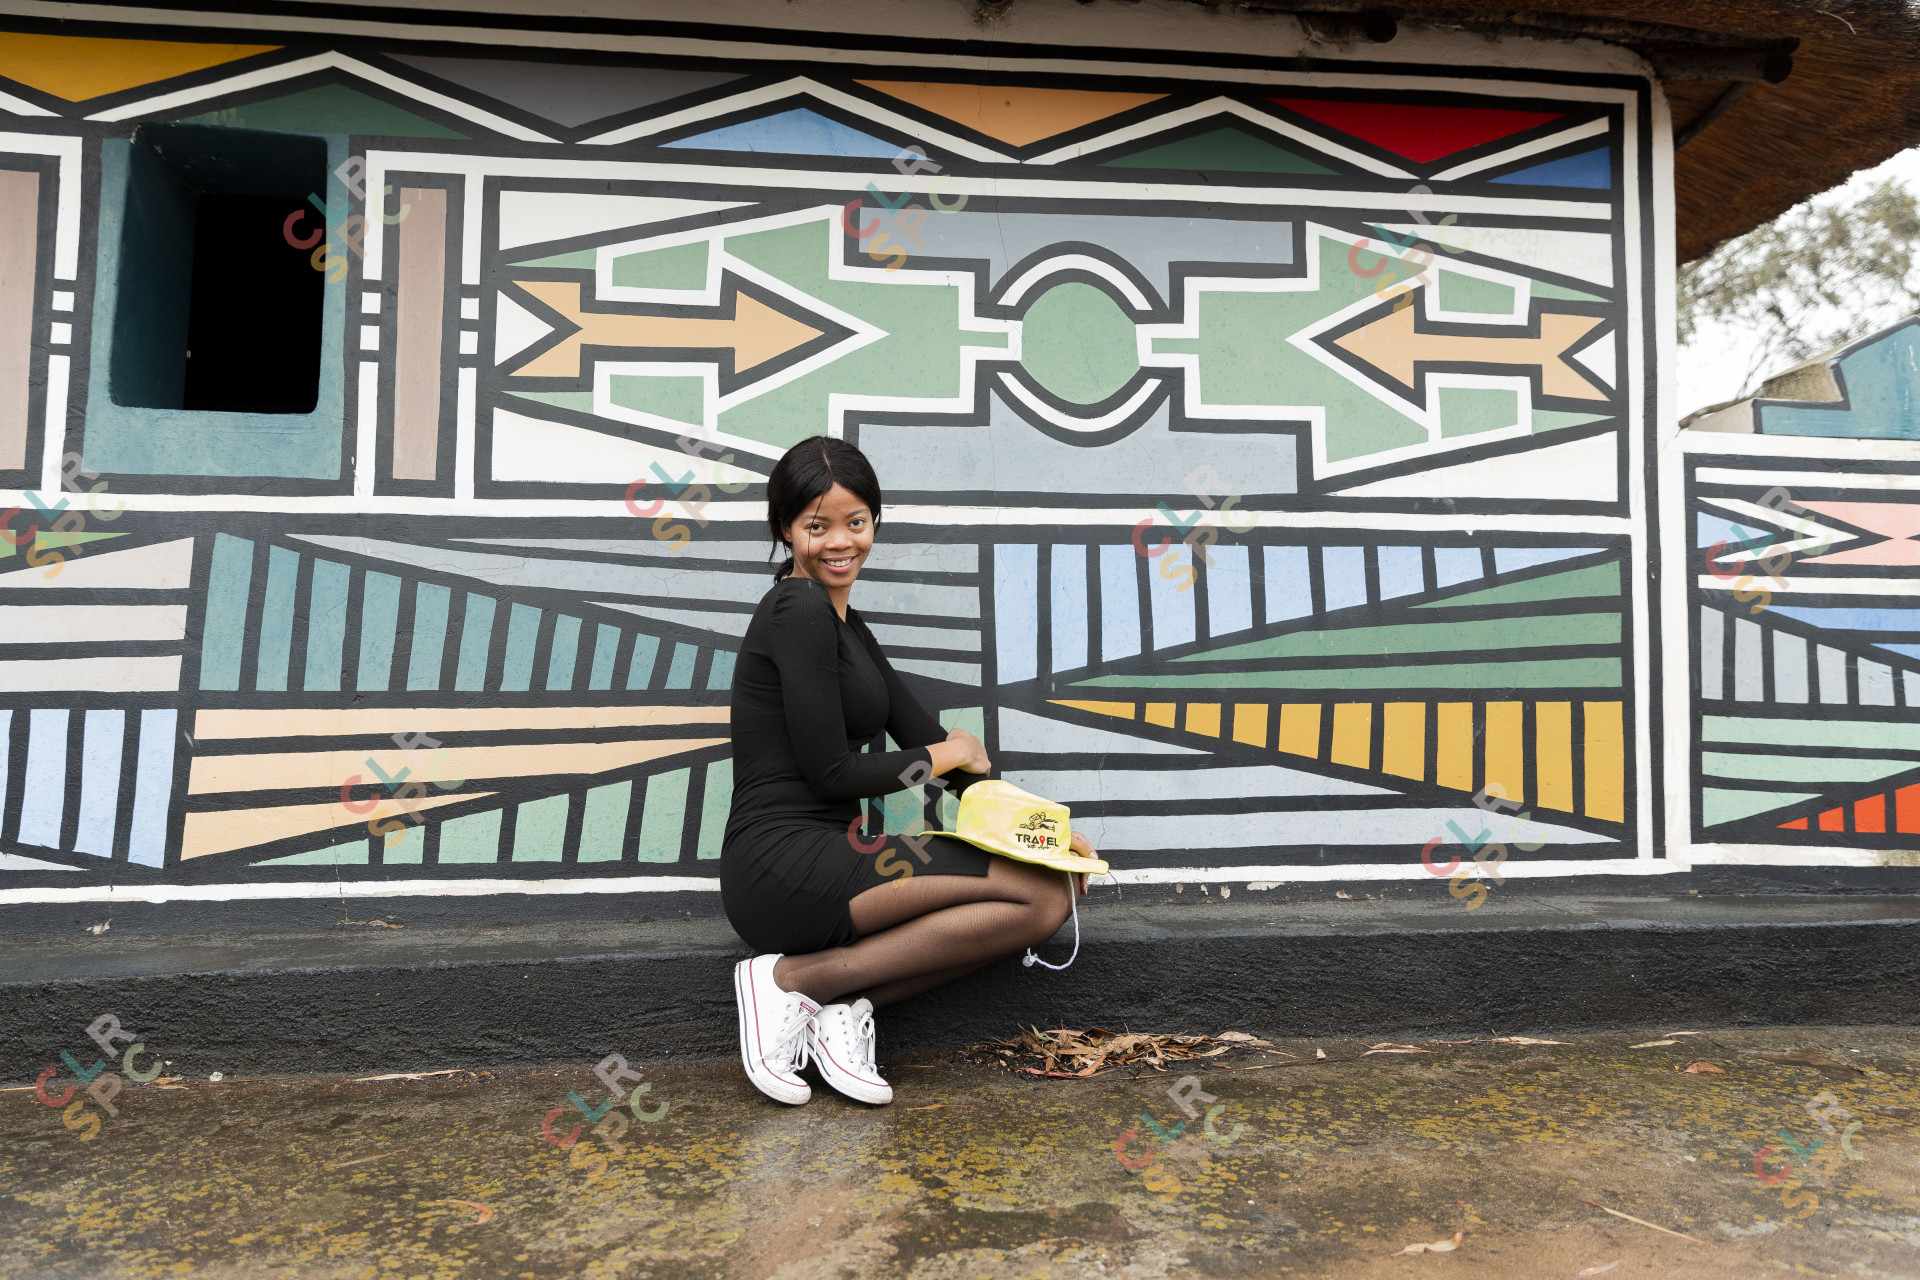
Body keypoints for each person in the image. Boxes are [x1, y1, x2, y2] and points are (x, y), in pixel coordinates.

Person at [721, 435, 1095, 1107]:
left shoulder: (849, 629)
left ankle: (836, 1005)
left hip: (836, 860)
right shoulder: (796, 610)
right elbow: (836, 774)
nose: (841, 541)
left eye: (856, 522)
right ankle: (787, 983)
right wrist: (950, 754)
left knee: (1050, 889)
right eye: (818, 525)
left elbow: (945, 759)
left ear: (874, 523)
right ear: (786, 528)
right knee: (1038, 899)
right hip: (780, 865)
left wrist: (1046, 834)